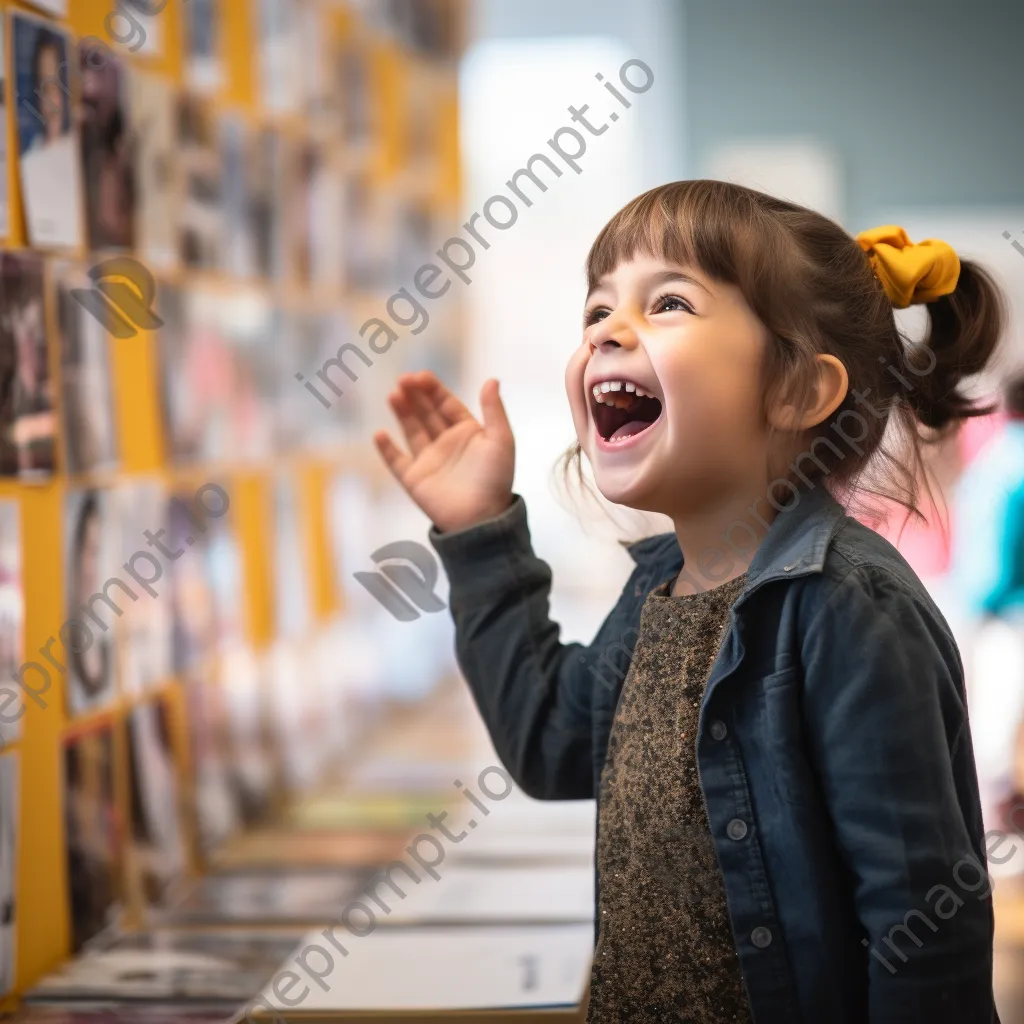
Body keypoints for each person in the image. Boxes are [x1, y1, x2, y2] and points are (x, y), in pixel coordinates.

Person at [373, 181, 1008, 1024]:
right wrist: (481, 528)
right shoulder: (660, 590)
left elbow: (924, 931)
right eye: (596, 310)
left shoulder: (850, 610)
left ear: (798, 393)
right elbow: (553, 743)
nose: (605, 331)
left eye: (667, 302)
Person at [951, 372, 1024, 844]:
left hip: (1000, 622)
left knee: (994, 746)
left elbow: (985, 574)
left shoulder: (998, 462)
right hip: (1008, 621)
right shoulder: (1009, 465)